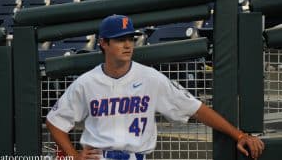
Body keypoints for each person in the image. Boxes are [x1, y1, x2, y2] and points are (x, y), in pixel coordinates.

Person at [46, 14, 264, 160]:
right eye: (120, 39)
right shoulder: (86, 82)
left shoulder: (150, 78)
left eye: (130, 38)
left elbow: (196, 108)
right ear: (103, 43)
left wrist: (239, 136)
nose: (128, 44)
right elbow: (55, 121)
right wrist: (73, 155)